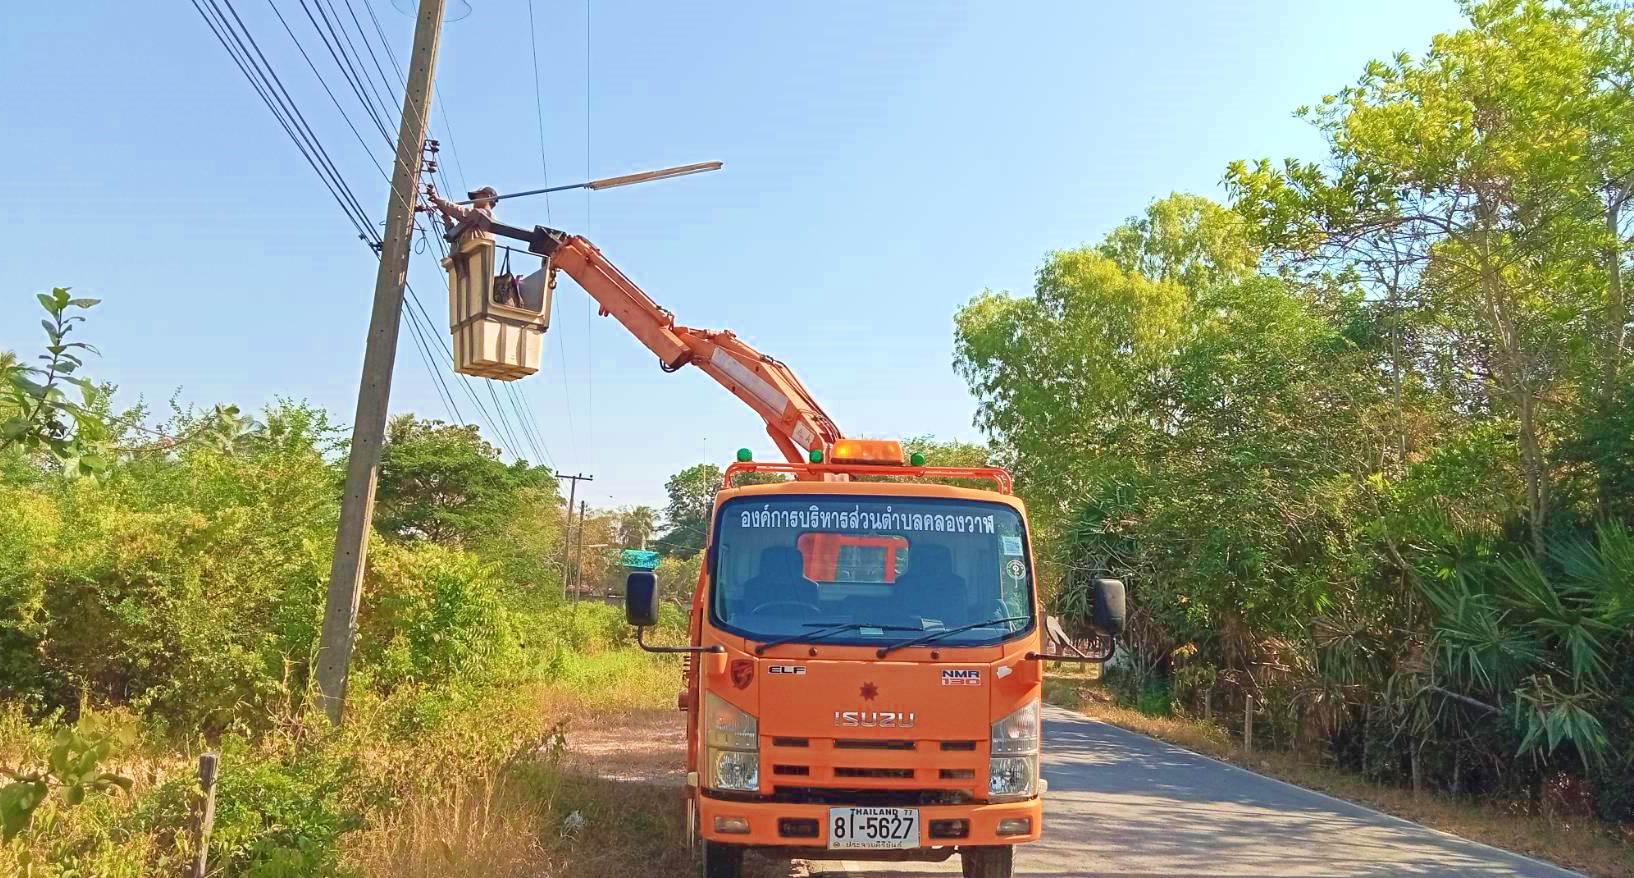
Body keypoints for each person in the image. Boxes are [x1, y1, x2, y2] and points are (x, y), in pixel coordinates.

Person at [428, 185, 497, 244]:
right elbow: (453, 234)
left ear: (488, 197)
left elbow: (459, 211)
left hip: (475, 254)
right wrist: (447, 218)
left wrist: (438, 200)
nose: (474, 201)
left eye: (477, 197)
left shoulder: (486, 214)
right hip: (464, 255)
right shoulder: (471, 220)